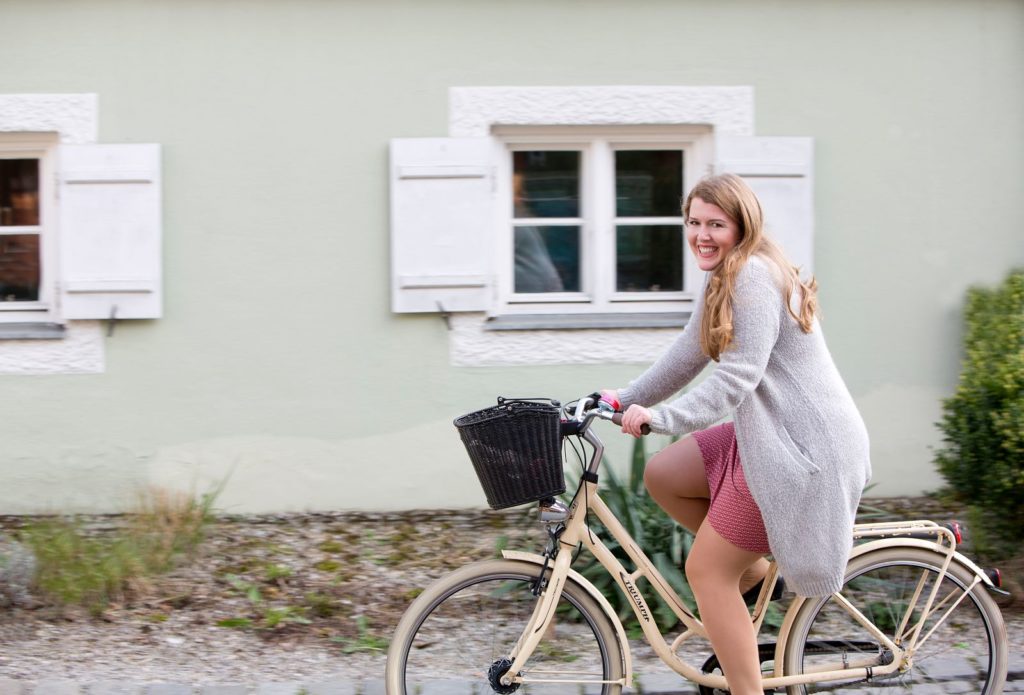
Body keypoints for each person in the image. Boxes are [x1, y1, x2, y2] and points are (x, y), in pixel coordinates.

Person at [602, 173, 871, 695]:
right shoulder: (727, 273)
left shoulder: (751, 276)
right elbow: (689, 353)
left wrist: (663, 418)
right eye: (694, 222)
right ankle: (748, 572)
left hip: (802, 450)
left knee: (706, 572)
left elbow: (736, 377)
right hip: (772, 434)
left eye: (715, 224)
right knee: (664, 474)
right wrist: (624, 398)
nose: (701, 234)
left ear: (742, 227)